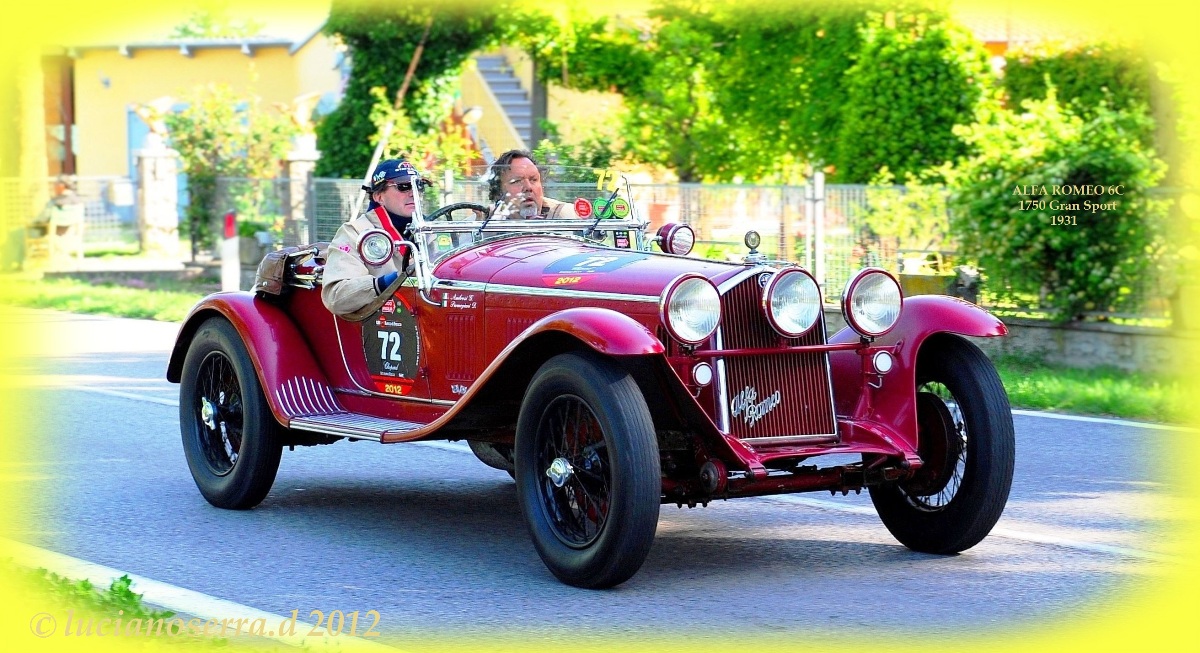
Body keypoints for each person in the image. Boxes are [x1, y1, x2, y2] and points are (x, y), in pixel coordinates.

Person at [321, 158, 429, 316]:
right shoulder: (355, 232)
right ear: (379, 197)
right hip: (386, 323)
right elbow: (336, 296)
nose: (414, 193)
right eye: (404, 186)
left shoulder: (433, 228)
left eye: (418, 185)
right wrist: (394, 280)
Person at [486, 149, 577, 219]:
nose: (528, 187)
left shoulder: (566, 215)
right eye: (517, 181)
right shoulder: (484, 221)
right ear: (498, 191)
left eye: (533, 179)